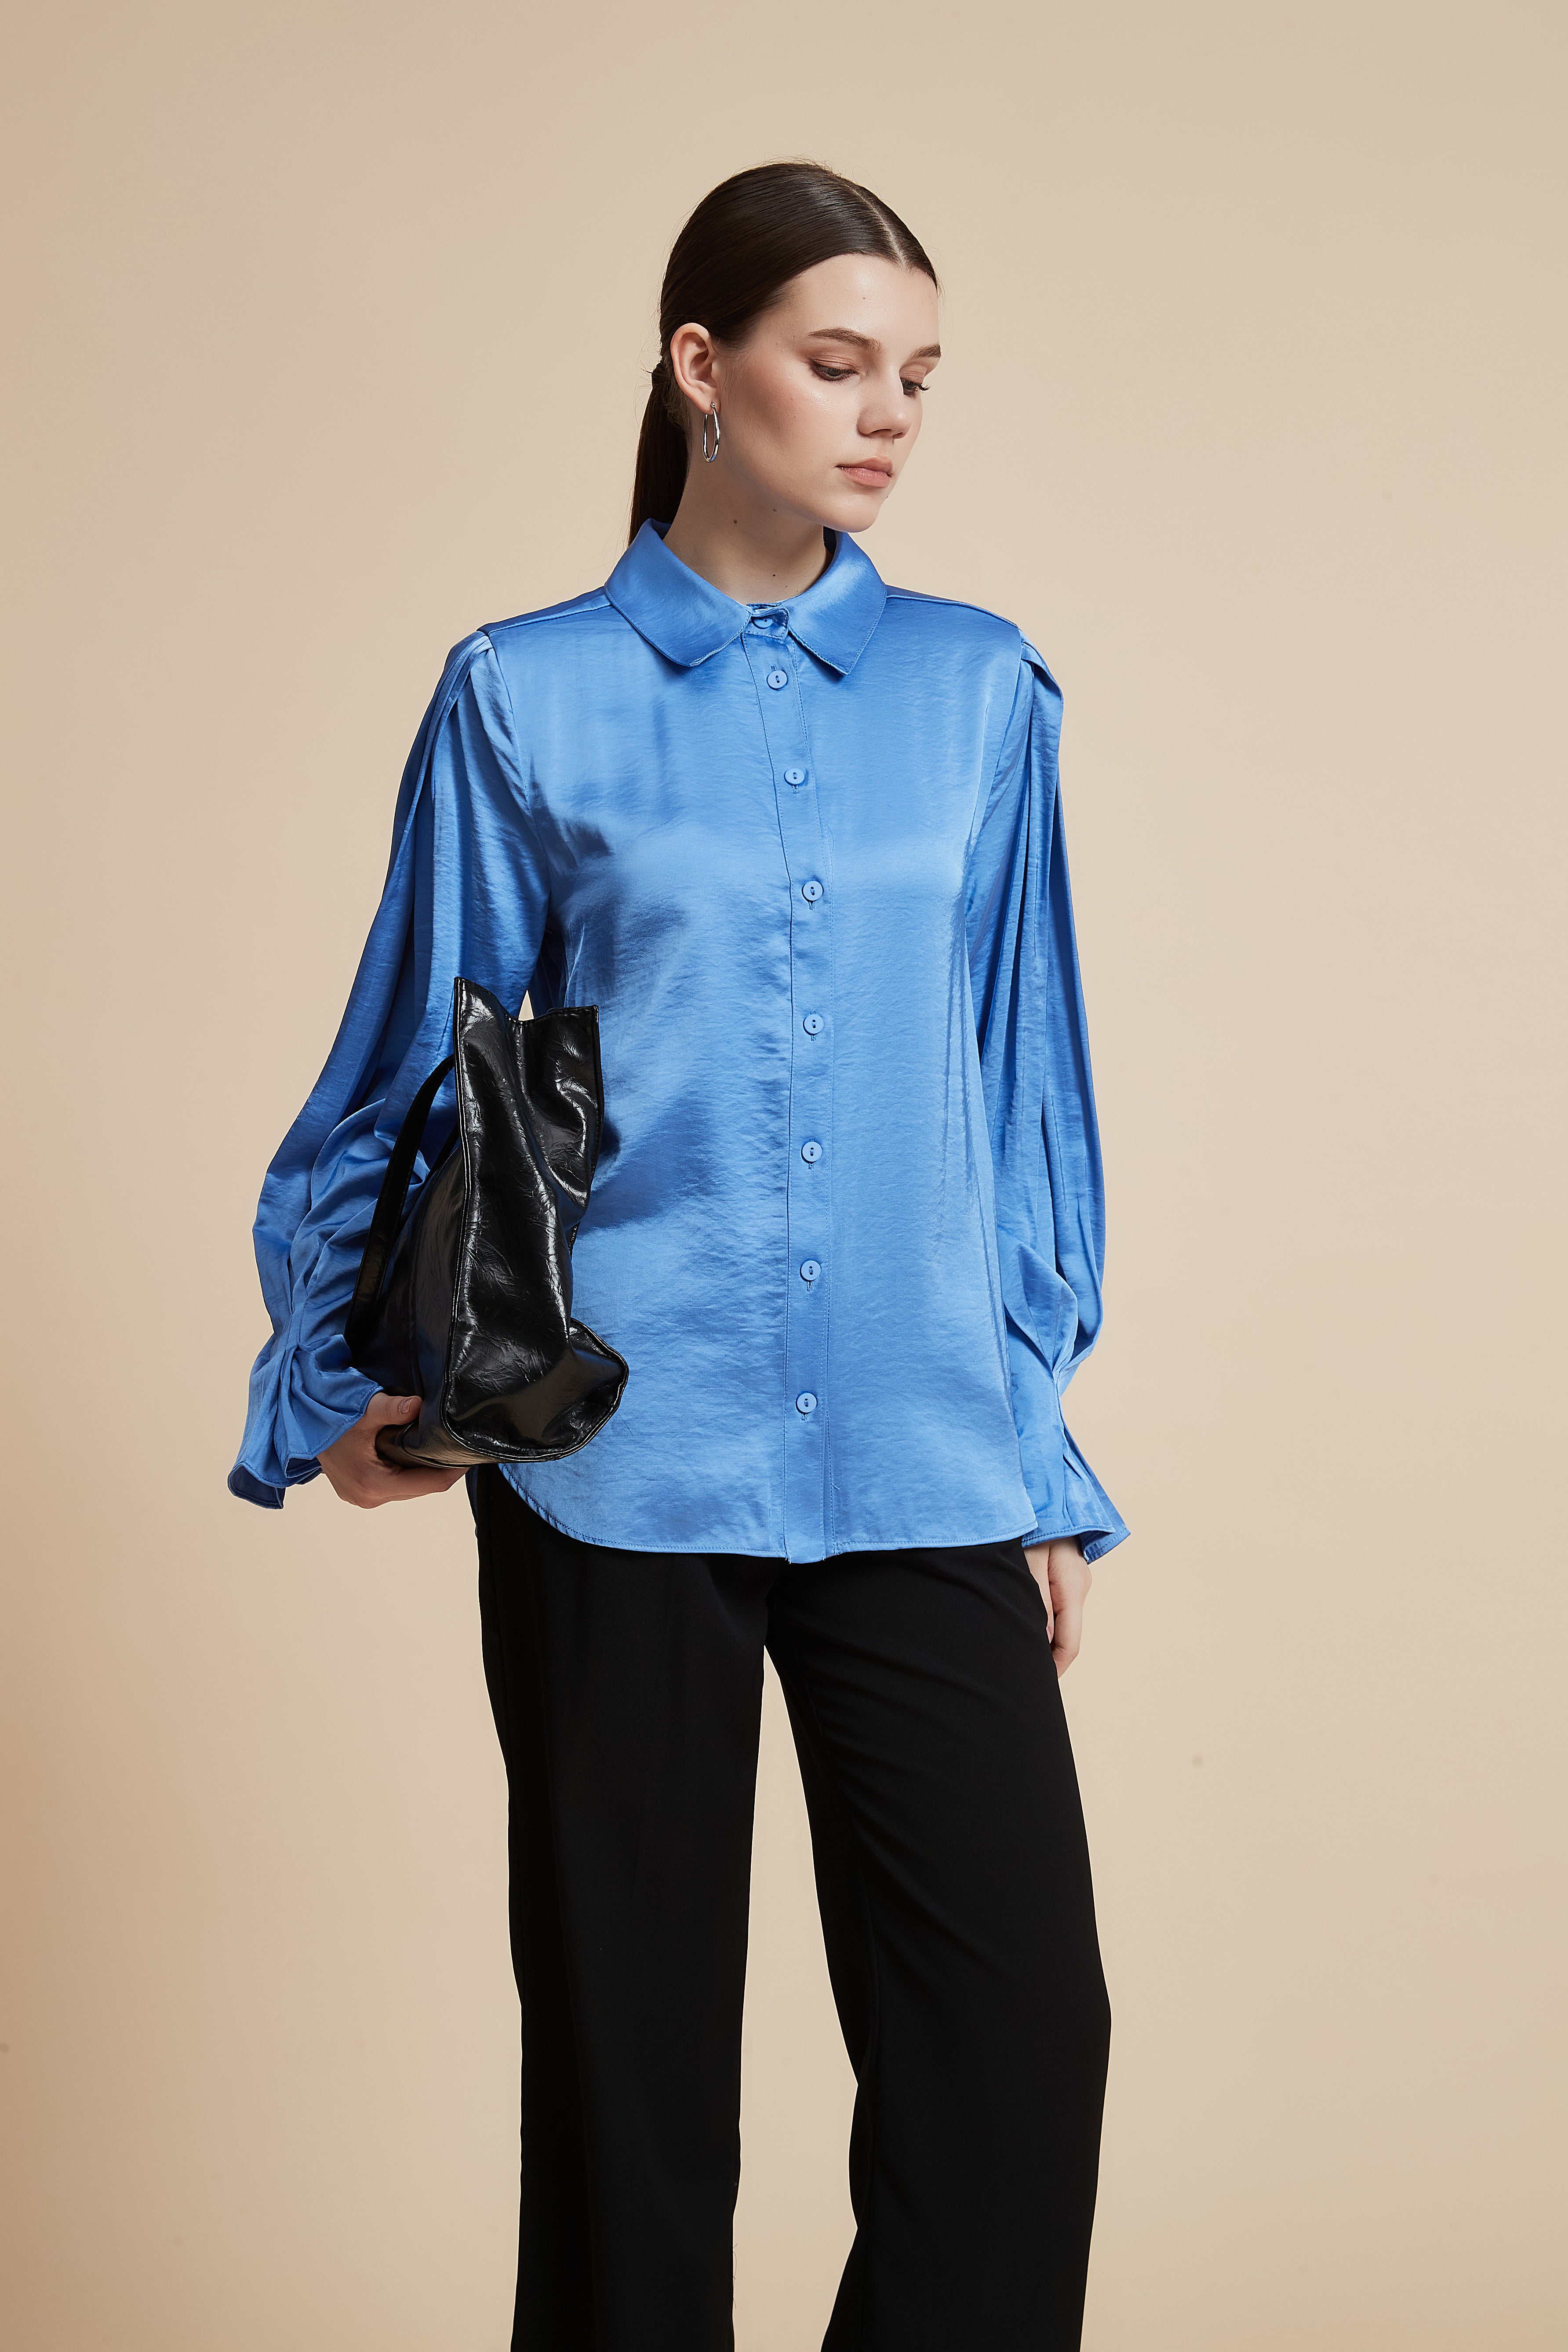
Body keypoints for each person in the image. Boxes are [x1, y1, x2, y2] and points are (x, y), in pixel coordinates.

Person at [231, 160, 1128, 2352]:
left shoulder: (981, 691)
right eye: (838, 363)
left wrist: (1035, 1441)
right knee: (629, 2087)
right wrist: (332, 1380)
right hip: (607, 1454)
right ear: (701, 369)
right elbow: (413, 1050)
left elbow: (1020, 1093)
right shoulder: (523, 695)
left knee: (1020, 2042)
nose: (887, 413)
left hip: (922, 1445)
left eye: (919, 374)